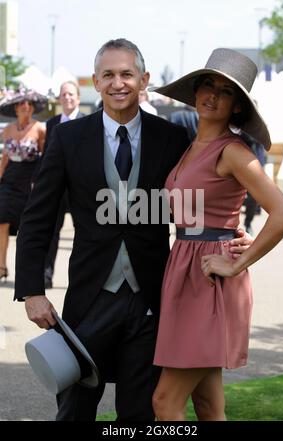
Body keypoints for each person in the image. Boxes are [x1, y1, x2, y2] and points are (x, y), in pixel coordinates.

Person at [14, 39, 251, 421]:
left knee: (139, 414)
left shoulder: (172, 138)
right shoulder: (67, 138)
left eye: (127, 74)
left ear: (144, 79)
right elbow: (37, 219)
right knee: (74, 409)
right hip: (89, 298)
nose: (118, 83)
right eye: (108, 75)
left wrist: (231, 234)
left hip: (152, 302)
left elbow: (200, 195)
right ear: (95, 81)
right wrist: (31, 291)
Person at [151, 48, 283, 421]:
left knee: (165, 402)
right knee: (208, 404)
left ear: (237, 106)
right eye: (207, 84)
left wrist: (237, 263)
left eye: (225, 91)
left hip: (210, 279)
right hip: (185, 270)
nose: (212, 94)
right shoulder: (190, 146)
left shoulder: (232, 152)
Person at [37, 81, 85, 289]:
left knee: (84, 233)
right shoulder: (51, 123)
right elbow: (47, 156)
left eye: (71, 94)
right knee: (51, 233)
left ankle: (83, 278)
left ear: (79, 98)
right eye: (64, 94)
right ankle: (46, 275)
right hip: (56, 189)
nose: (67, 98)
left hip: (81, 190)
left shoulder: (89, 121)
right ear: (59, 98)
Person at [0, 88, 47, 282]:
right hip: (9, 179)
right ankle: (1, 266)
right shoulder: (7, 130)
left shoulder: (40, 128)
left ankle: (25, 271)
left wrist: (42, 183)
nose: (26, 106)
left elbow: (45, 157)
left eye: (29, 104)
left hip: (30, 180)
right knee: (2, 222)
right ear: (15, 107)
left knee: (25, 228)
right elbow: (4, 158)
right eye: (21, 103)